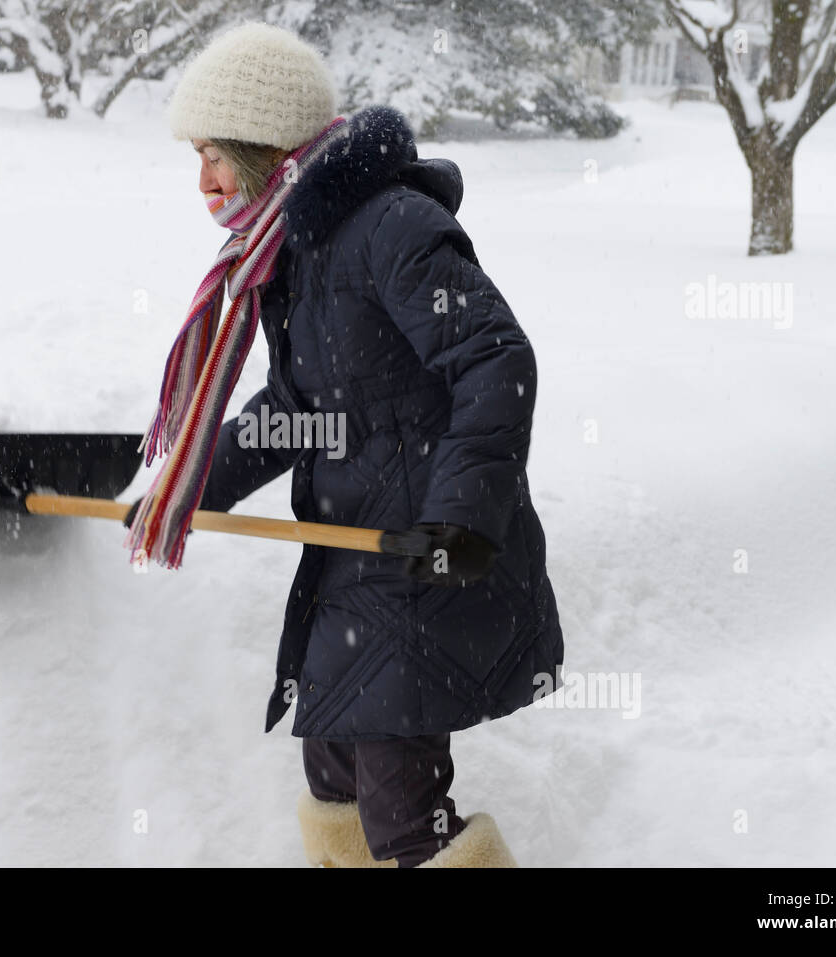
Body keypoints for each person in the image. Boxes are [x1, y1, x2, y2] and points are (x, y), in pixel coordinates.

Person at [124, 21, 564, 867]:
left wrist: (459, 523)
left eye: (214, 154)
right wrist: (189, 489)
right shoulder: (295, 247)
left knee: (400, 807)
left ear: (266, 146)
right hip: (352, 561)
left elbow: (496, 359)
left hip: (426, 555)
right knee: (331, 771)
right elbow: (298, 406)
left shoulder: (389, 229)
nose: (204, 181)